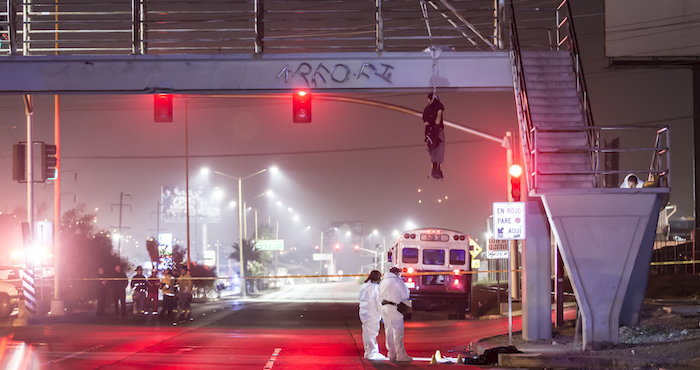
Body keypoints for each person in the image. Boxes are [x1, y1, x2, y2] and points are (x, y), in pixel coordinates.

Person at [379, 267, 412, 362]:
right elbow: (405, 294)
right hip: (394, 308)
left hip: (384, 308)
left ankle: (391, 354)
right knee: (398, 332)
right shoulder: (398, 281)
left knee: (388, 331)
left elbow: (379, 295)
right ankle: (401, 355)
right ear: (397, 273)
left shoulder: (383, 281)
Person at [359, 270, 386, 360]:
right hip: (372, 312)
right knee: (372, 333)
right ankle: (372, 352)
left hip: (363, 311)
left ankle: (368, 351)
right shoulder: (376, 288)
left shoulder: (363, 286)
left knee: (366, 332)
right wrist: (382, 314)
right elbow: (378, 302)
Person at [423, 93, 446, 180]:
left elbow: (426, 121)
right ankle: (435, 170)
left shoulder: (427, 109)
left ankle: (436, 170)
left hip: (433, 134)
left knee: (437, 153)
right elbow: (438, 118)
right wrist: (436, 127)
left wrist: (430, 129)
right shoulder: (438, 106)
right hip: (436, 133)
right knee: (438, 151)